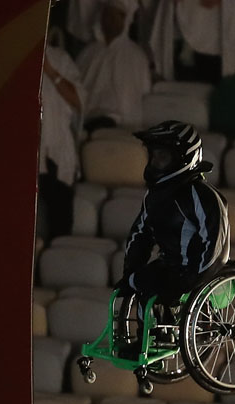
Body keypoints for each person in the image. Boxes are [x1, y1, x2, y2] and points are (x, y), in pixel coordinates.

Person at [115, 120, 230, 357]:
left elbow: (215, 242)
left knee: (162, 286)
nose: (156, 163)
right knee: (139, 281)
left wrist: (192, 280)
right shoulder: (155, 197)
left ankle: (195, 326)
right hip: (171, 265)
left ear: (182, 158)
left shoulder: (201, 195)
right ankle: (148, 336)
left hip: (197, 270)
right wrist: (130, 272)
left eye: (163, 157)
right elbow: (140, 234)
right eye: (154, 156)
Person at [76, 0, 152, 131]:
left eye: (116, 16)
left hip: (124, 128)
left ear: (125, 20)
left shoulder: (137, 56)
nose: (110, 21)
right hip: (89, 123)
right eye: (107, 16)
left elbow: (145, 93)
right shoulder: (87, 54)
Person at [38, 42, 85, 240]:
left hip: (57, 151)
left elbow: (79, 100)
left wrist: (49, 70)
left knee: (60, 222)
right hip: (22, 152)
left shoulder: (61, 58)